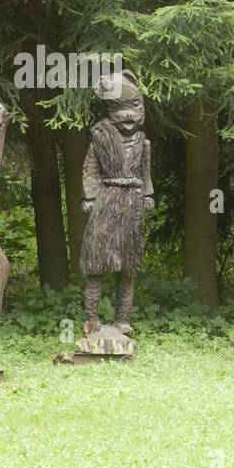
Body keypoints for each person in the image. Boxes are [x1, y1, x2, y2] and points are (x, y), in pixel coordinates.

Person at [81, 69, 152, 337]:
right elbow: (91, 169)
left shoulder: (143, 143)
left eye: (134, 105)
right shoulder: (101, 138)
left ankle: (122, 320)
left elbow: (146, 173)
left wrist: (147, 194)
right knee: (96, 263)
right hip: (107, 201)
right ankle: (91, 319)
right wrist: (89, 196)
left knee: (128, 266)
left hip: (133, 204)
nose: (128, 116)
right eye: (119, 108)